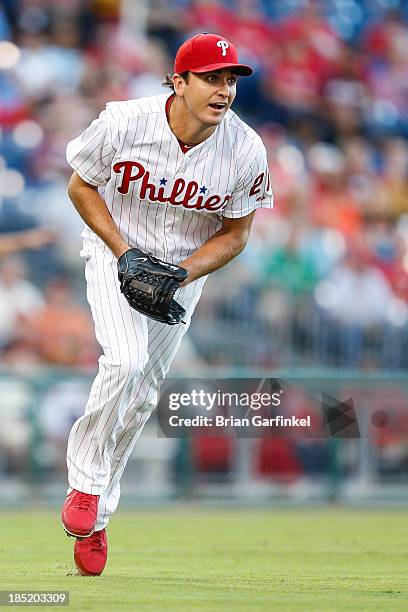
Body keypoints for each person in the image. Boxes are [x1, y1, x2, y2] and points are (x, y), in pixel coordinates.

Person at [61, 32, 273, 576]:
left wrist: (181, 273)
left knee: (141, 396)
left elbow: (236, 234)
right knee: (125, 362)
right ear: (177, 82)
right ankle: (85, 485)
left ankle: (100, 516)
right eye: (210, 77)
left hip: (179, 272)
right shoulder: (125, 121)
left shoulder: (246, 149)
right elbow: (82, 186)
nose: (223, 89)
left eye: (230, 79)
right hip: (116, 252)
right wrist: (125, 253)